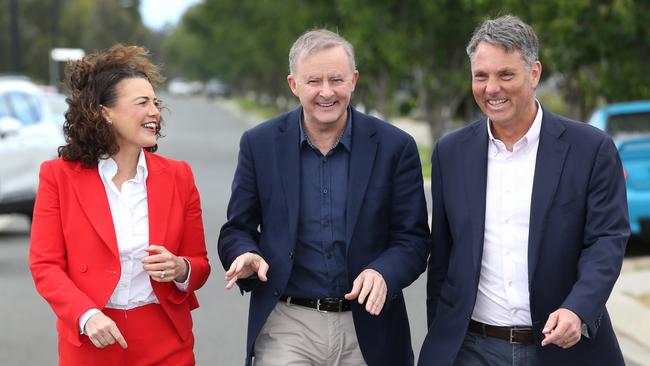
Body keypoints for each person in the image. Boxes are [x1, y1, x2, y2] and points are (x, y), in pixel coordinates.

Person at [417, 15, 629, 366]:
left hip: (562, 349)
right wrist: (441, 337)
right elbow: (442, 257)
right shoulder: (450, 152)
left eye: (505, 75)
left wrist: (578, 308)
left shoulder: (590, 148)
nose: (491, 88)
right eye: (481, 76)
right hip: (471, 349)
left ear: (534, 74)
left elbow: (607, 240)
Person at [218, 29, 430, 366]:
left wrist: (384, 273)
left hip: (370, 326)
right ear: (293, 84)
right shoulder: (259, 144)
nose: (326, 92)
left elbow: (414, 239)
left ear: (354, 80)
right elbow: (236, 229)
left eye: (336, 79)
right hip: (287, 323)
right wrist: (245, 254)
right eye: (314, 81)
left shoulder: (396, 147)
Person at [29, 44, 211, 366]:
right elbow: (45, 265)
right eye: (142, 103)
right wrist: (85, 315)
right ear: (105, 112)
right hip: (92, 338)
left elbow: (199, 264)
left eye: (156, 103)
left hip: (166, 337)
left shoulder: (179, 176)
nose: (155, 111)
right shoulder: (58, 176)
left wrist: (180, 268)